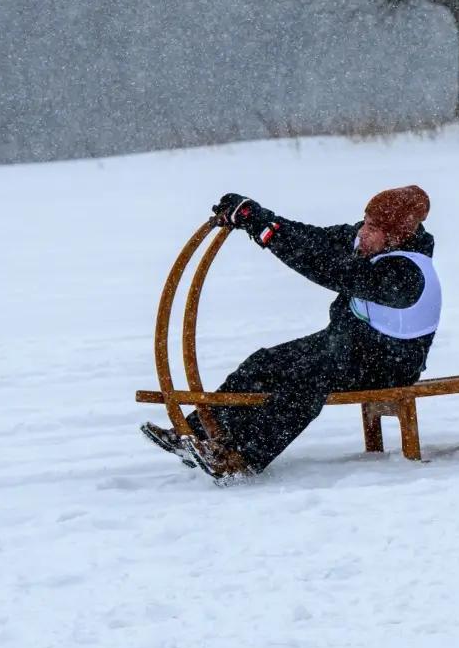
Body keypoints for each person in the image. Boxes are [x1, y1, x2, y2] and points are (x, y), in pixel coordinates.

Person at [142, 185, 441, 479]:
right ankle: (197, 434)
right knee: (264, 363)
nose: (362, 231)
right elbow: (313, 240)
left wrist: (267, 232)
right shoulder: (366, 242)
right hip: (348, 345)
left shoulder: (407, 274)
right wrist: (257, 216)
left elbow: (326, 268)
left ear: (395, 237)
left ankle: (243, 458)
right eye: (365, 221)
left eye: (373, 227)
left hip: (389, 364)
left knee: (307, 378)